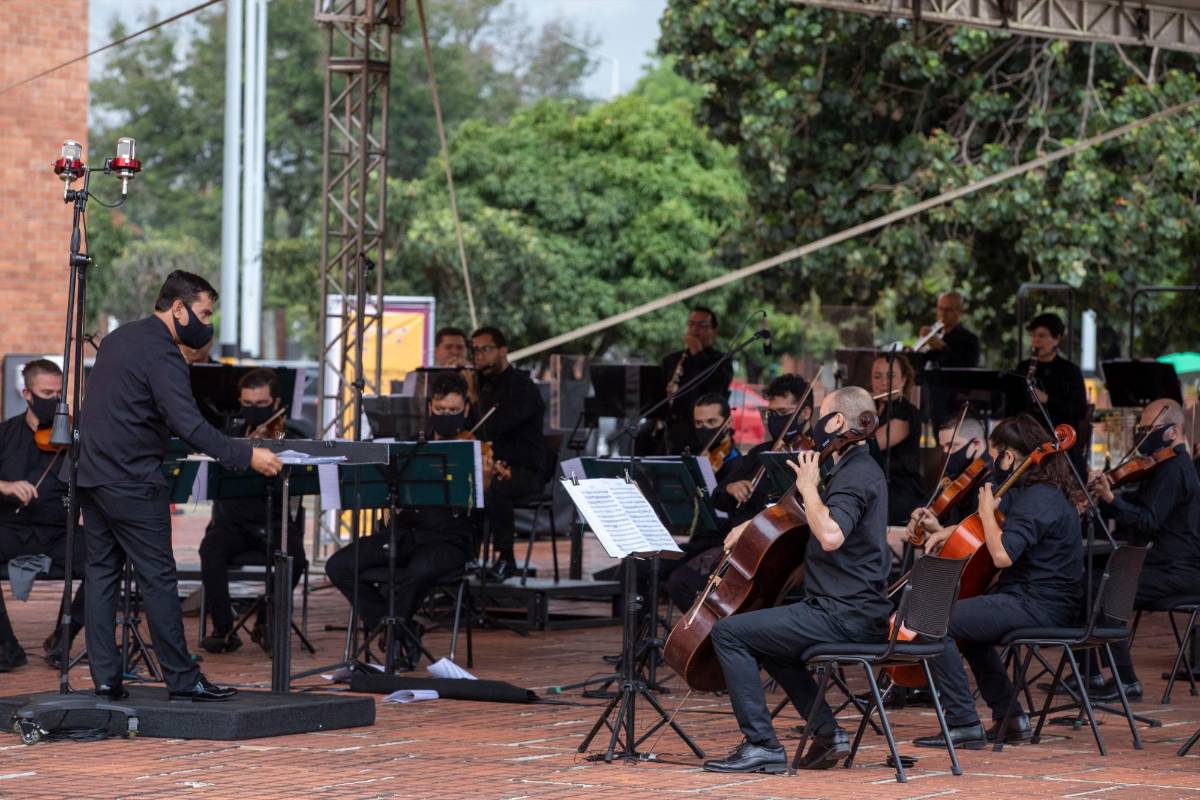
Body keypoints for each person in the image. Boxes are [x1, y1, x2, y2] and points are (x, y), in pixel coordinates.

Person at [75, 270, 283, 702]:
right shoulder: (163, 353)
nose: (207, 322)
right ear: (178, 307)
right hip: (133, 480)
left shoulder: (118, 339)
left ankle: (106, 678)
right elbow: (188, 422)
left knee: (101, 577)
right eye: (204, 312)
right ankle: (183, 679)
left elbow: (114, 409)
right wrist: (246, 455)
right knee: (158, 580)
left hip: (92, 476)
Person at [702, 386, 890, 774]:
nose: (817, 426)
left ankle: (762, 745)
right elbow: (810, 520)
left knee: (730, 633)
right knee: (773, 647)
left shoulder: (856, 474)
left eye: (823, 416)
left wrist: (807, 485)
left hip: (844, 614)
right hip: (847, 609)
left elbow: (831, 534)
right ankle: (827, 732)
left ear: (838, 421)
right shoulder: (853, 467)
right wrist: (754, 526)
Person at [913, 414, 1083, 750]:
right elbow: (998, 533)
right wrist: (946, 531)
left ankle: (963, 722)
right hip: (1034, 600)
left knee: (934, 621)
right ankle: (1011, 718)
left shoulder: (1037, 498)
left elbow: (1003, 554)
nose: (992, 463)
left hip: (1039, 606)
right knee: (971, 633)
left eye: (995, 455)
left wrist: (987, 512)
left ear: (1009, 456)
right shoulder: (1037, 493)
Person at [325, 372, 485, 668]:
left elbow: (488, 510)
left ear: (465, 410)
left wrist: (484, 479)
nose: (446, 416)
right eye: (440, 410)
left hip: (449, 541)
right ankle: (398, 629)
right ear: (429, 409)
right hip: (405, 535)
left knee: (418, 570)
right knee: (338, 565)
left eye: (454, 411)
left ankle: (396, 640)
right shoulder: (411, 449)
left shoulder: (474, 451)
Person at [667, 374, 813, 612]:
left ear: (805, 413)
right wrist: (730, 487)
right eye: (770, 413)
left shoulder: (809, 455)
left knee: (687, 582)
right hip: (735, 543)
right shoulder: (759, 452)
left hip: (771, 546)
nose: (774, 420)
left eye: (782, 412)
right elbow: (719, 498)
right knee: (681, 580)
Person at [1088, 398, 1200, 700]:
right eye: (1140, 428)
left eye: (1149, 429)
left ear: (1173, 432)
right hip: (1159, 565)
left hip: (1177, 570)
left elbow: (1148, 522)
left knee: (1106, 590)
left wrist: (1113, 500)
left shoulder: (1175, 469)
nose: (1142, 435)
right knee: (1089, 583)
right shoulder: (1160, 466)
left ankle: (1127, 682)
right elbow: (1137, 511)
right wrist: (1104, 498)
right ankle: (1091, 676)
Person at [198, 368, 308, 655]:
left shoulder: (288, 435)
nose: (254, 411)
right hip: (232, 524)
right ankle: (223, 628)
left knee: (296, 555)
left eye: (261, 405)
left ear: (275, 402)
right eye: (247, 405)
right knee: (210, 549)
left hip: (272, 521)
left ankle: (266, 622)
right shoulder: (231, 435)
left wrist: (280, 448)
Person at [0, 359, 85, 671]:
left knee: (107, 557)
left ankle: (63, 638)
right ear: (27, 393)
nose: (55, 401)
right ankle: (6, 647)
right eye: (47, 393)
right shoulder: (5, 434)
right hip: (11, 530)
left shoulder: (75, 436)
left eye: (60, 393)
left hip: (59, 532)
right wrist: (5, 485)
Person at [471, 326, 545, 579]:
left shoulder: (522, 387)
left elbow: (492, 427)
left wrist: (472, 394)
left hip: (524, 471)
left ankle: (506, 559)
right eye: (476, 350)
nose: (479, 355)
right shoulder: (483, 386)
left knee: (495, 489)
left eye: (486, 349)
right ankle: (466, 555)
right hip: (489, 466)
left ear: (503, 350)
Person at [1015, 312, 1088, 474]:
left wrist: (1047, 399)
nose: (1036, 341)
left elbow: (1079, 410)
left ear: (1057, 338)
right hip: (1027, 438)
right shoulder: (1023, 368)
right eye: (1033, 335)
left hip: (1059, 440)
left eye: (1041, 336)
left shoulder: (1070, 371)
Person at [659, 307, 733, 455]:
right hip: (671, 429)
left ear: (713, 331)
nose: (694, 329)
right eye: (691, 324)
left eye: (702, 325)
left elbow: (715, 389)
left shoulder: (721, 360)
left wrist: (697, 353)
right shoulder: (672, 360)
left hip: (700, 432)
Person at [870, 354, 923, 526]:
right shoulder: (870, 411)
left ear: (903, 380)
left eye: (891, 376)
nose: (884, 383)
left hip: (899, 488)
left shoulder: (906, 412)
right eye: (877, 377)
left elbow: (872, 444)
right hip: (874, 484)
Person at [921, 291, 980, 368]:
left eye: (948, 310)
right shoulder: (935, 334)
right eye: (940, 308)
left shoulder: (970, 339)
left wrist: (942, 347)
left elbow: (967, 368)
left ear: (960, 312)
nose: (942, 313)